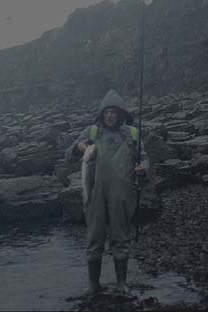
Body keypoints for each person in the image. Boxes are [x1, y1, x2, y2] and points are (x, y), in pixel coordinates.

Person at [65, 89, 149, 294]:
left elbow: (144, 159)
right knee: (95, 237)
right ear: (101, 114)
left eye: (114, 112)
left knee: (121, 236)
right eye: (106, 112)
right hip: (94, 194)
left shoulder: (132, 134)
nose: (110, 115)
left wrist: (143, 168)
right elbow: (69, 154)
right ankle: (94, 284)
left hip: (122, 194)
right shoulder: (92, 132)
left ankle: (121, 282)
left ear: (121, 113)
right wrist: (78, 148)